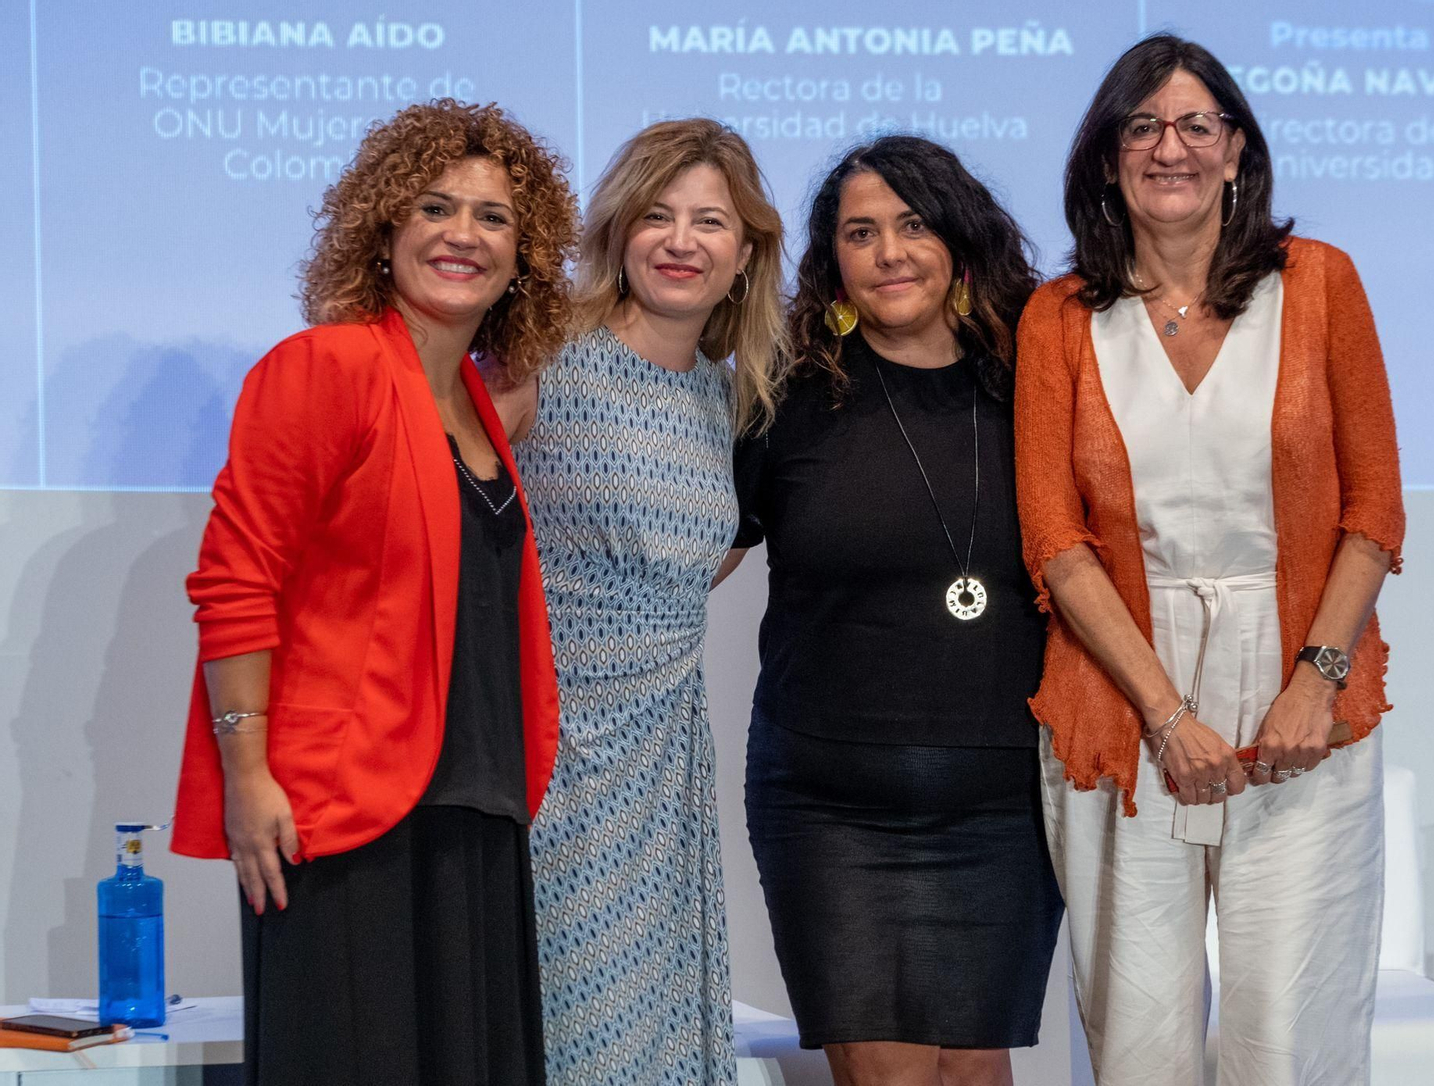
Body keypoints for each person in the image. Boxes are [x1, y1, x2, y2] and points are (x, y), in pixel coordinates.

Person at [1014, 35, 1405, 1086]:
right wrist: (1166, 716)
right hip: (1120, 702)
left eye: (1196, 124)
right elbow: (1054, 541)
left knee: (1291, 1035)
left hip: (1300, 705)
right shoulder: (1058, 318)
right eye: (1140, 127)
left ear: (1237, 149)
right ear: (1105, 158)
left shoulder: (1318, 284)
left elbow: (1372, 509)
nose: (1169, 148)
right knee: (1138, 1042)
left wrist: (1313, 684)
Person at [169, 100, 579, 1086]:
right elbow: (237, 577)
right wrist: (248, 773)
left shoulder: (479, 402)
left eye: (492, 218)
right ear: (384, 226)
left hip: (471, 815)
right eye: (435, 207)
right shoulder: (326, 366)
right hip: (342, 813)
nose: (461, 235)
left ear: (523, 255)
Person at [729, 135, 1062, 1086]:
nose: (889, 252)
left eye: (913, 225)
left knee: (975, 1072)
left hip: (1001, 806)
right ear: (832, 260)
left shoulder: (1034, 384)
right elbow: (698, 554)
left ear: (959, 239)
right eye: (860, 232)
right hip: (830, 807)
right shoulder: (783, 394)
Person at [494, 118, 786, 1085]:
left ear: (744, 255)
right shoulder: (544, 356)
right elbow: (449, 518)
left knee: (654, 1043)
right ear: (619, 231)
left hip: (664, 769)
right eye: (657, 215)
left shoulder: (728, 397)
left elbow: (694, 563)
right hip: (550, 763)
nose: (681, 240)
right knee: (571, 1036)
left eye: (710, 221)